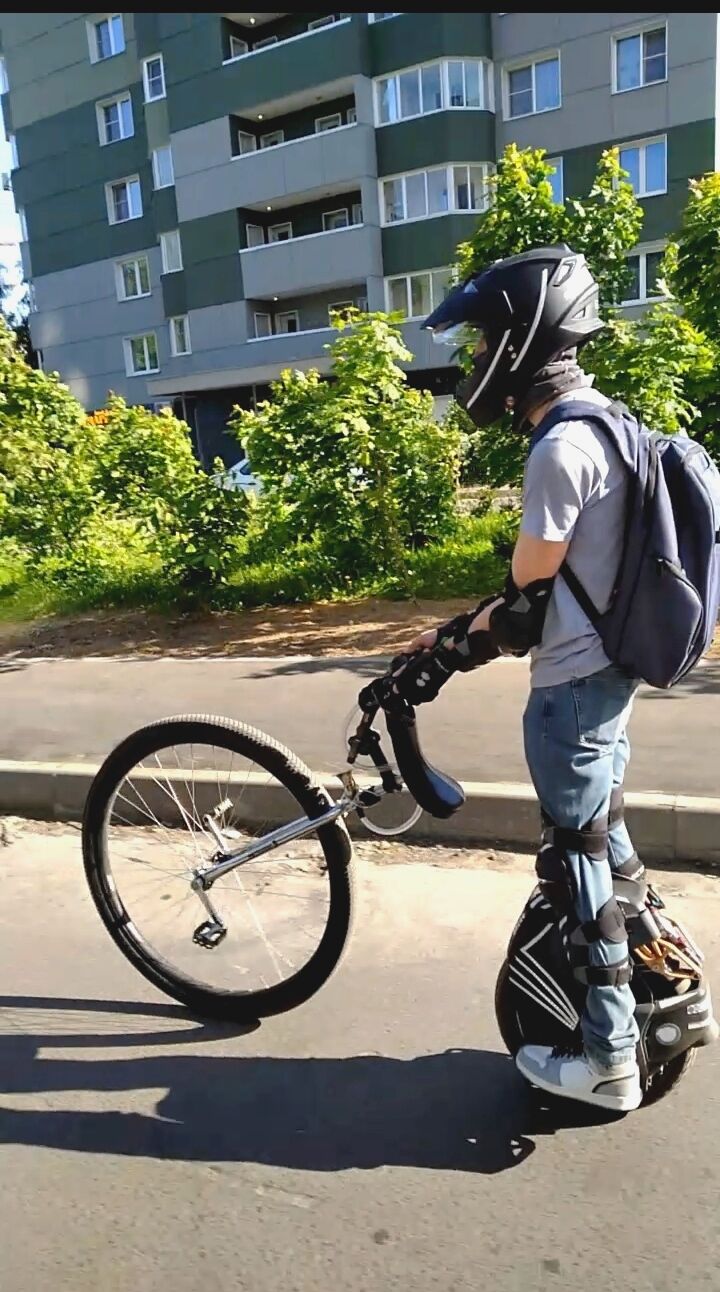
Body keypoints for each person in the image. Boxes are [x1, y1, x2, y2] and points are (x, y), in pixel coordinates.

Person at [404, 245, 643, 1112]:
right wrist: (453, 639)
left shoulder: (559, 449)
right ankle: (664, 985)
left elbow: (524, 602)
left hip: (570, 689)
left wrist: (446, 650)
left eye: (479, 342)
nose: (473, 359)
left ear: (518, 342)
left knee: (577, 862)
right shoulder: (613, 424)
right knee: (609, 842)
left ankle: (611, 1057)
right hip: (612, 673)